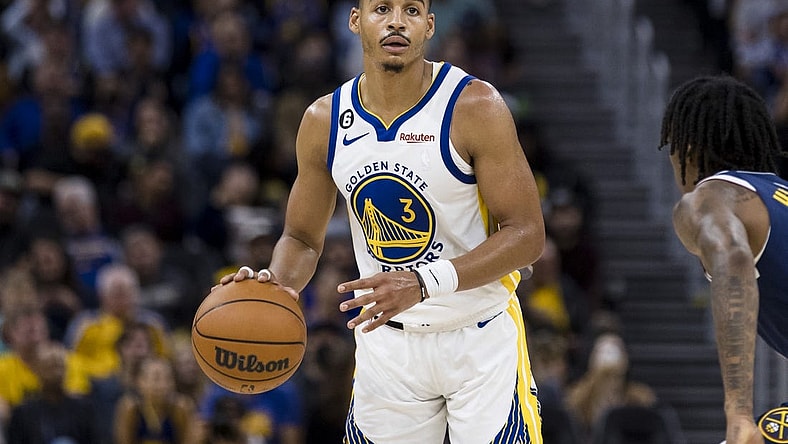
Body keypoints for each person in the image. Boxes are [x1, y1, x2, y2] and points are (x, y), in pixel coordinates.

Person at [214, 1, 546, 442]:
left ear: (429, 26)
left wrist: (424, 282)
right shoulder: (324, 121)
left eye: (411, 10)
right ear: (356, 20)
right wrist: (276, 285)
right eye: (381, 8)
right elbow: (300, 237)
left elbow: (527, 234)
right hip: (387, 346)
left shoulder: (474, 105)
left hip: (479, 337)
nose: (395, 21)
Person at [659, 74, 788, 444]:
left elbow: (733, 259)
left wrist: (739, 413)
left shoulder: (708, 199)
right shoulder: (778, 196)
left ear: (687, 148)